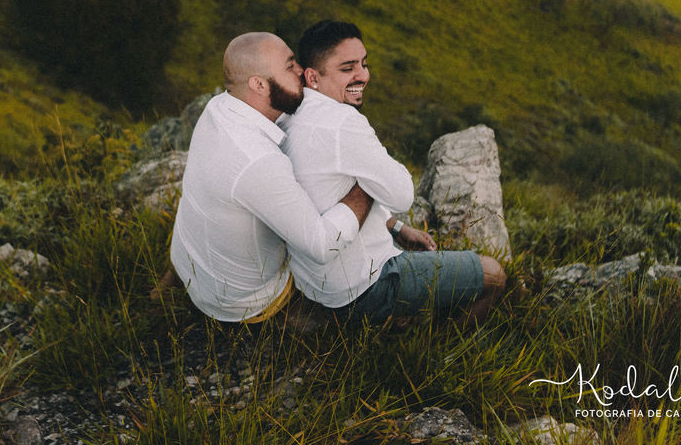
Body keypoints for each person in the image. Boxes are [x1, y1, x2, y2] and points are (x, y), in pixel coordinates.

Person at [281, 20, 506, 324]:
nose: (363, 75)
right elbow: (402, 194)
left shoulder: (291, 117)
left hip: (318, 284)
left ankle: (406, 318)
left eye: (364, 63)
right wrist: (376, 169)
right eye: (347, 68)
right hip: (362, 286)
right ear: (313, 77)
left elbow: (329, 195)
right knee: (494, 274)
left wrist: (396, 229)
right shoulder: (343, 122)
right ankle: (437, 351)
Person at [168, 32, 375, 323]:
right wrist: (366, 185)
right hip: (242, 303)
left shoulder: (218, 108)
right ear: (259, 84)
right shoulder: (259, 160)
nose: (302, 71)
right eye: (290, 66)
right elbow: (321, 245)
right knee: (347, 225)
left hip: (191, 268)